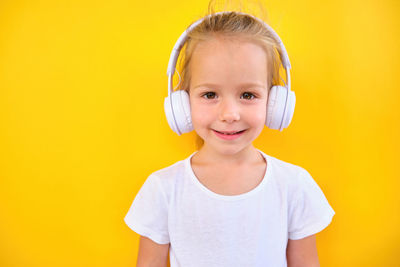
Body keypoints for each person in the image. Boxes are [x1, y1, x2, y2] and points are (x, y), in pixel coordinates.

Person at [124, 8, 335, 267]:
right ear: (182, 102)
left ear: (275, 102)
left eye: (248, 95)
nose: (229, 114)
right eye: (210, 94)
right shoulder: (163, 189)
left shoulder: (294, 186)